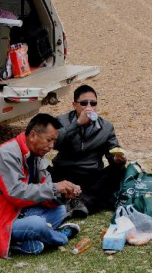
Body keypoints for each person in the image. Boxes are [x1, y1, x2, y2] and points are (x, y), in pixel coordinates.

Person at [0, 113, 82, 258]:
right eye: (49, 140)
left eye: (54, 141)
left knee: (60, 209)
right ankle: (59, 237)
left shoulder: (38, 155)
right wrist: (54, 187)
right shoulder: (6, 154)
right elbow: (16, 193)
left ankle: (33, 240)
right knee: (37, 224)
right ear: (33, 135)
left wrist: (63, 195)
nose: (51, 146)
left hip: (21, 213)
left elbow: (44, 193)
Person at [50, 85, 126, 218]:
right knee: (42, 172)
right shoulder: (61, 121)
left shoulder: (106, 127)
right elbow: (55, 143)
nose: (89, 107)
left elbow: (112, 154)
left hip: (90, 175)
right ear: (74, 105)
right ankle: (79, 201)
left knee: (119, 171)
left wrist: (118, 160)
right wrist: (77, 123)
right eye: (84, 103)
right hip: (64, 173)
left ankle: (81, 202)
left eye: (93, 103)